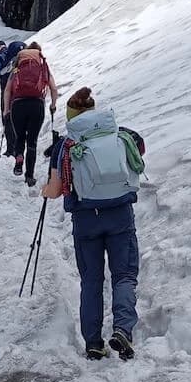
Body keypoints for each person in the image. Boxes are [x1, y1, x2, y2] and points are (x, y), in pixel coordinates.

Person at [41, 87, 144, 361]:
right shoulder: (120, 134)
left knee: (91, 280)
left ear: (72, 116)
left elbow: (54, 190)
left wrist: (45, 190)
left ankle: (94, 343)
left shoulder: (65, 145)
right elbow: (137, 160)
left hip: (87, 221)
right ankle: (123, 328)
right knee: (124, 275)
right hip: (121, 215)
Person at [6, 42, 59, 183]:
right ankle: (29, 176)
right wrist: (53, 105)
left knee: (20, 137)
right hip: (37, 104)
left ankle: (19, 159)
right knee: (32, 141)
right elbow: (54, 88)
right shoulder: (42, 65)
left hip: (18, 105)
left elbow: (7, 90)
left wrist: (6, 109)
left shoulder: (18, 65)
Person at [0, 40, 26, 156]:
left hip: (6, 89)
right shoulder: (14, 54)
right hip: (19, 89)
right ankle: (19, 147)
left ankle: (11, 148)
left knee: (6, 117)